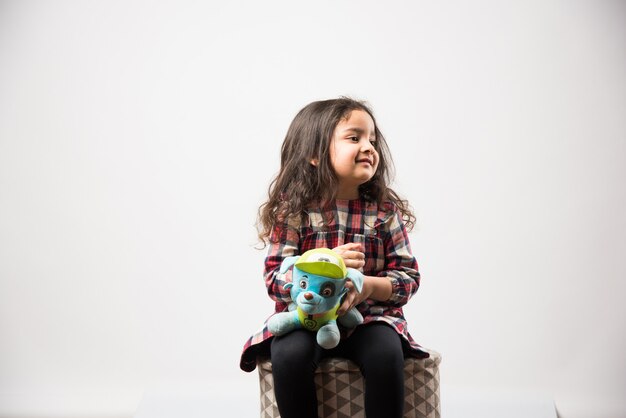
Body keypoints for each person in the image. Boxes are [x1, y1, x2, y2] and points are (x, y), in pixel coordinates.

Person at [239, 97, 428, 418]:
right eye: (355, 138)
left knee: (385, 353)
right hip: (307, 317)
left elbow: (408, 278)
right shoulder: (294, 212)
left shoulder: (383, 213)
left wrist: (367, 286)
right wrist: (323, 261)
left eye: (372, 139)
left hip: (369, 319)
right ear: (314, 154)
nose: (369, 146)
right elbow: (275, 280)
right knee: (288, 353)